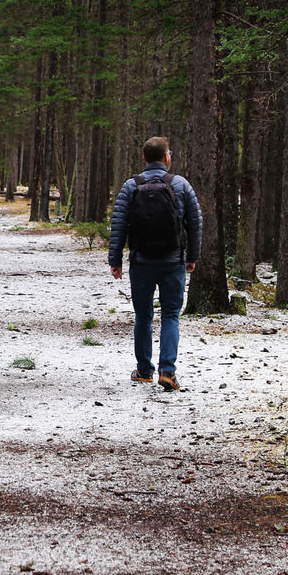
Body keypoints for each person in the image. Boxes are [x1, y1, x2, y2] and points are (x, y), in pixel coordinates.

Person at [107, 135, 202, 391]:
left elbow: (119, 225)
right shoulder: (180, 185)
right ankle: (168, 372)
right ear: (167, 157)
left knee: (143, 316)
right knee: (171, 315)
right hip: (173, 261)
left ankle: (144, 370)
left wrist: (114, 259)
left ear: (144, 158)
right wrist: (192, 256)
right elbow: (195, 222)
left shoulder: (131, 186)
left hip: (141, 262)